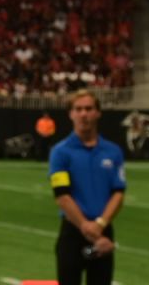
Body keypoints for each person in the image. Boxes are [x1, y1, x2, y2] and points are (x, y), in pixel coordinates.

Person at [49, 90, 125, 285]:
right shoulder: (60, 152)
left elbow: (118, 192)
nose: (84, 114)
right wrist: (86, 226)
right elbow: (62, 196)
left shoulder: (113, 151)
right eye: (78, 109)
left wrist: (100, 224)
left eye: (89, 109)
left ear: (98, 113)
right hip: (73, 233)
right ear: (71, 114)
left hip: (102, 231)